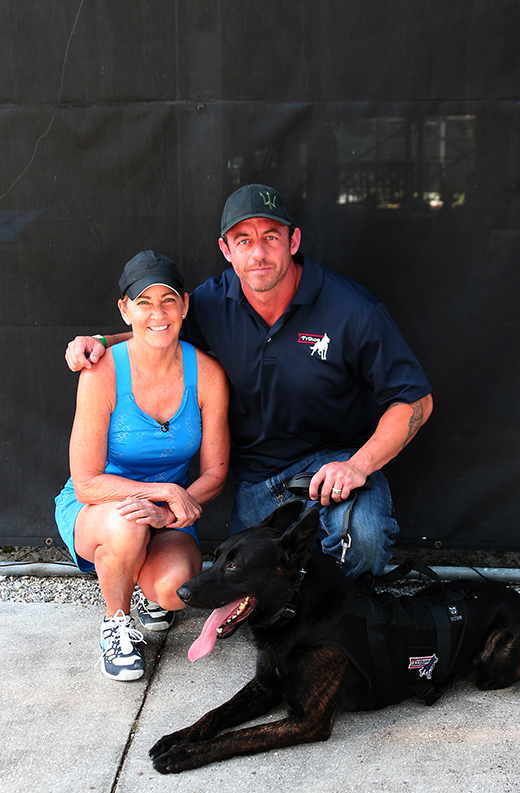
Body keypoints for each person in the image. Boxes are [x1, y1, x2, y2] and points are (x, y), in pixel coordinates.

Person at [64, 185, 432, 579]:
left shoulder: (352, 310)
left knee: (366, 538)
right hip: (260, 484)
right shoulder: (211, 303)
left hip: (333, 467)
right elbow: (158, 325)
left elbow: (415, 402)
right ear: (226, 250)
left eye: (271, 237)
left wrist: (358, 466)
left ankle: (350, 619)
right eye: (244, 240)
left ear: (293, 240)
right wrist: (102, 341)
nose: (258, 253)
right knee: (246, 583)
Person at [56, 251, 230, 681]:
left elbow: (216, 471)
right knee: (126, 522)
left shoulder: (207, 375)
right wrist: (165, 491)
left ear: (185, 305)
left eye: (168, 300)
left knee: (176, 591)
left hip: (168, 515)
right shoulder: (101, 373)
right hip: (101, 507)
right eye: (144, 302)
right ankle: (116, 623)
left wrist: (171, 509)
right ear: (125, 309)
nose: (158, 313)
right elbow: (87, 483)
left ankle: (148, 587)